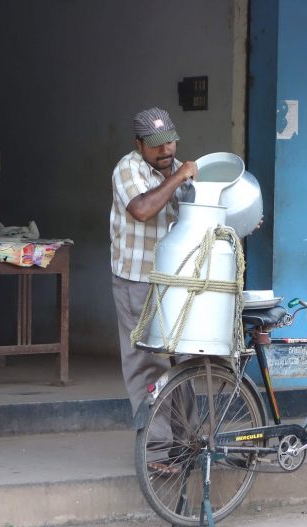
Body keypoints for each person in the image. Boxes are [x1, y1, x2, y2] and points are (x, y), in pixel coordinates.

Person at [110, 107, 198, 474]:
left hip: (173, 281)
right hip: (136, 280)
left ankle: (188, 442)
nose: (166, 151)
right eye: (157, 145)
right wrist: (177, 178)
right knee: (148, 365)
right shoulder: (127, 169)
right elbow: (142, 210)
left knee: (182, 362)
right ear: (139, 145)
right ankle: (156, 451)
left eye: (170, 142)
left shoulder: (179, 169)